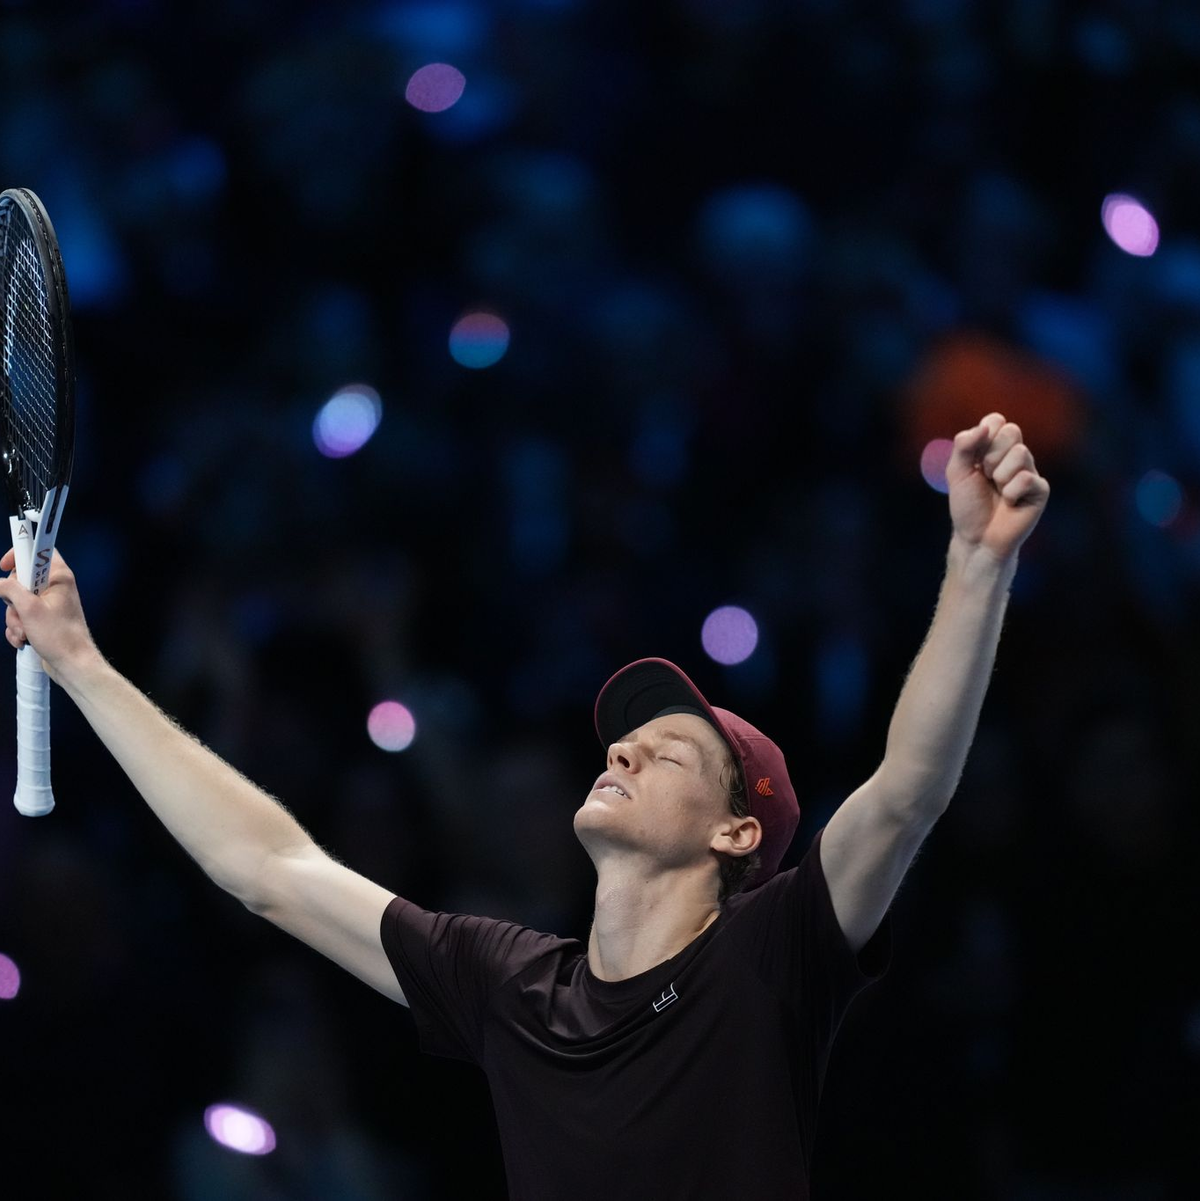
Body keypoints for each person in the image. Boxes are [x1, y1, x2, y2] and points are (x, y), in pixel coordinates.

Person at [0, 411, 1049, 1200]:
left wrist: (977, 561)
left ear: (737, 835)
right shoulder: (507, 984)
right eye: (627, 738)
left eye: (673, 750)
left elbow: (907, 790)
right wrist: (82, 662)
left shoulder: (770, 956)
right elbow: (268, 869)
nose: (626, 747)